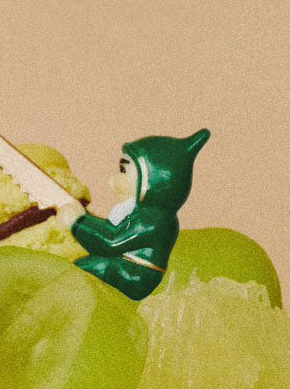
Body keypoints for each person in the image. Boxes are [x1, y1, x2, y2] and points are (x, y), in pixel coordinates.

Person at [64, 129, 210, 301]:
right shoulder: (141, 213)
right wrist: (86, 219)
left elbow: (111, 242)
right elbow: (109, 231)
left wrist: (78, 223)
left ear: (150, 181)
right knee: (85, 265)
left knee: (88, 267)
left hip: (135, 275)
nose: (112, 180)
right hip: (123, 265)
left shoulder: (153, 220)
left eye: (123, 170)